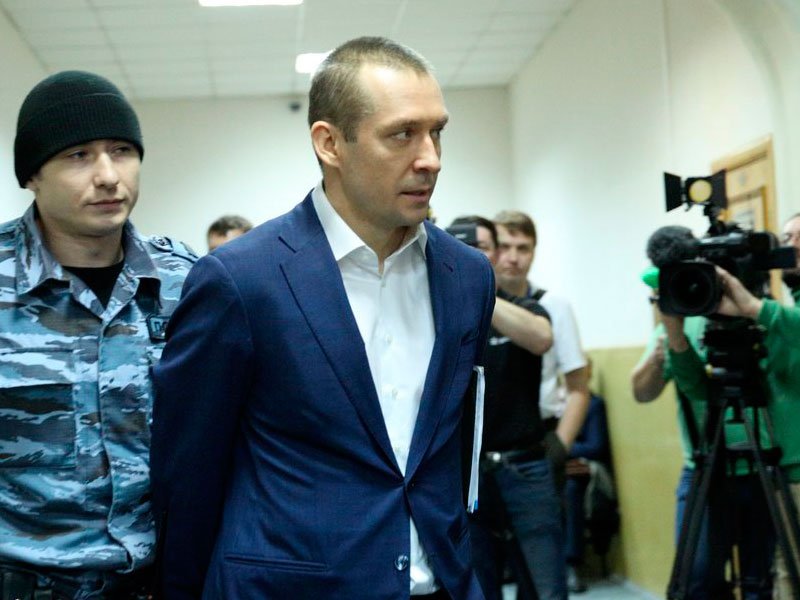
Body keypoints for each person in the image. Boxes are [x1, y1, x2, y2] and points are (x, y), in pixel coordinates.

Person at [151, 37, 495, 600]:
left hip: (442, 584)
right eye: (402, 134)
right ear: (329, 143)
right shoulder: (242, 280)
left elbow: (455, 450)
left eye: (437, 132)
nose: (430, 157)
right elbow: (188, 473)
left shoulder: (468, 275)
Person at [0, 71, 196, 599]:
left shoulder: (186, 283)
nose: (108, 176)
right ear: (32, 175)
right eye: (78, 155)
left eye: (121, 151)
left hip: (160, 582)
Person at [631, 224, 788, 599]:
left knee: (763, 581)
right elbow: (642, 391)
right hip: (705, 468)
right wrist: (670, 334)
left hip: (764, 468)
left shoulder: (767, 316)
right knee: (697, 579)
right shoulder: (686, 308)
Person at [448, 216, 565, 600]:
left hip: (524, 468)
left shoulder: (523, 306)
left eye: (481, 247)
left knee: (545, 588)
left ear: (496, 254)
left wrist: (478, 290)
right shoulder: (444, 314)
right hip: (466, 477)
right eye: (463, 248)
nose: (472, 255)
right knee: (479, 587)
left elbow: (541, 338)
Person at [492, 211, 590, 490]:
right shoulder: (474, 302)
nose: (513, 258)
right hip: (486, 442)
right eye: (505, 247)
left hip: (539, 439)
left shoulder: (554, 306)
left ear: (534, 252)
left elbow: (578, 388)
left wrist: (559, 448)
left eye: (523, 248)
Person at [563, 358, 615, 594]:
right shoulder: (557, 404)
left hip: (585, 472)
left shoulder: (593, 405)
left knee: (571, 491)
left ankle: (572, 564)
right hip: (558, 467)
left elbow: (595, 446)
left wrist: (561, 446)